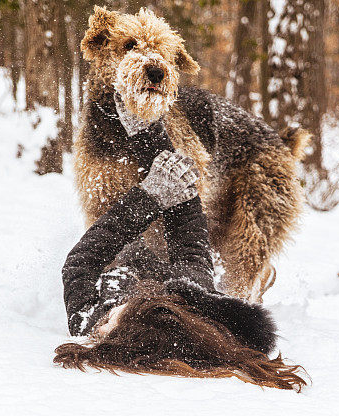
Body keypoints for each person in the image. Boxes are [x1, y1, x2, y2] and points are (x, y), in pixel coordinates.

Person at [53, 117, 306, 391]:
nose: (101, 330)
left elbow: (81, 262)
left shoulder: (86, 321)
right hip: (168, 258)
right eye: (112, 326)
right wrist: (151, 135)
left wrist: (149, 196)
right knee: (201, 252)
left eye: (103, 331)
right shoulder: (189, 295)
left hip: (127, 243)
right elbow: (191, 244)